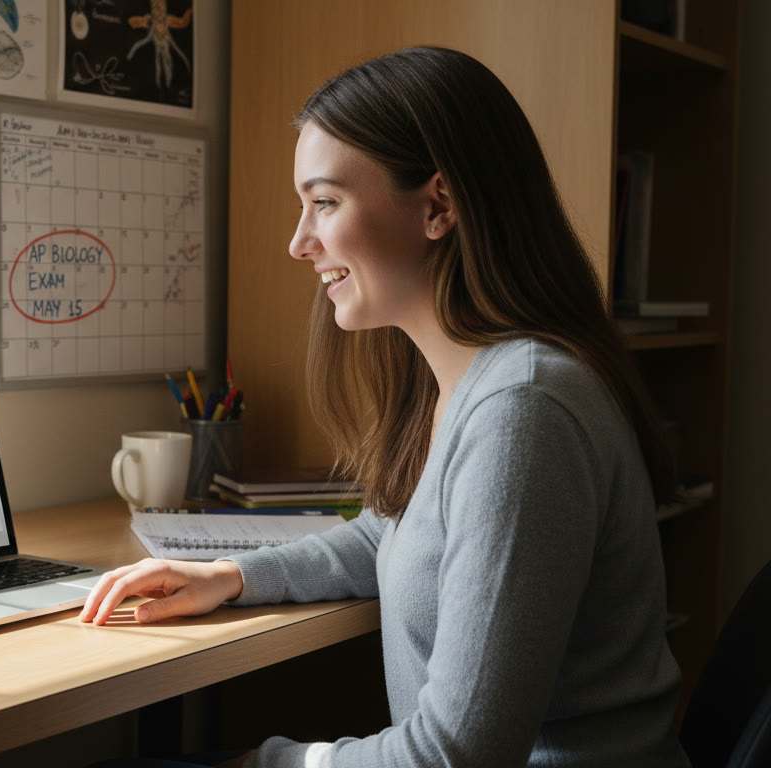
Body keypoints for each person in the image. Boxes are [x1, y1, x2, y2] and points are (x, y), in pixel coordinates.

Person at [81, 46, 689, 768]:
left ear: (438, 206)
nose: (299, 242)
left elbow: (455, 756)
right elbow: (392, 535)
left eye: (325, 202)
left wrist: (270, 763)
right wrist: (233, 576)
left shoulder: (523, 413)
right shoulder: (476, 381)